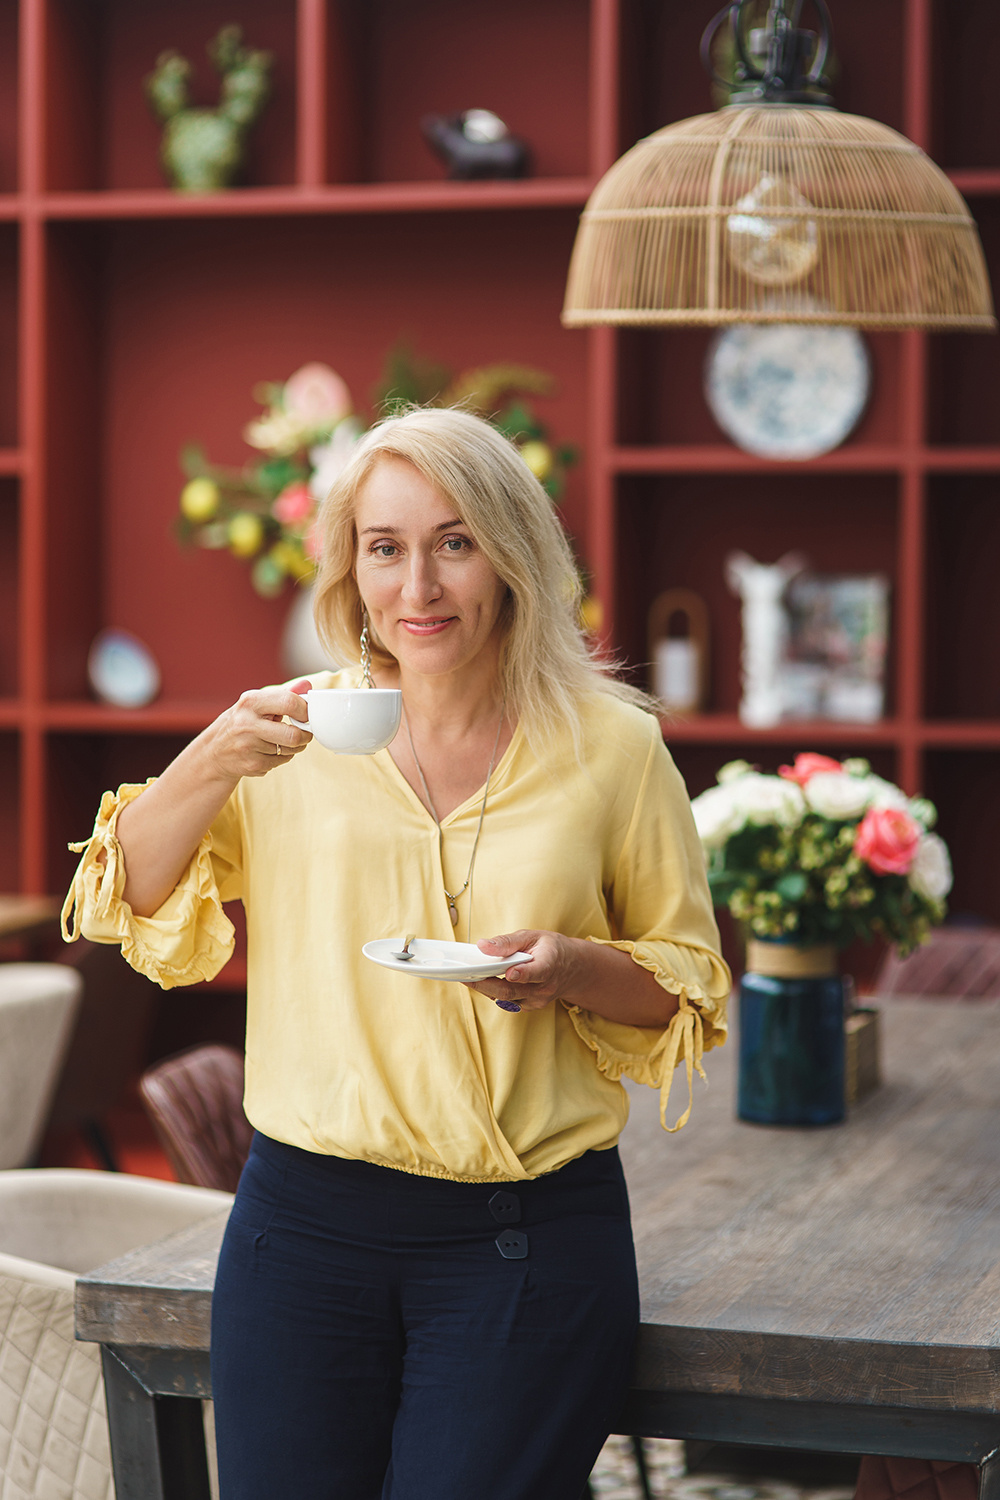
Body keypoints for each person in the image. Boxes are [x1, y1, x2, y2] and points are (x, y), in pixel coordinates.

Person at [62, 406, 731, 1500]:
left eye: (454, 542)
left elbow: (684, 985)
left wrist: (569, 967)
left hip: (527, 1241)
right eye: (385, 548)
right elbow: (119, 895)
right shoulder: (289, 736)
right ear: (351, 567)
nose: (417, 585)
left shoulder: (615, 747)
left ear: (511, 555)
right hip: (299, 1238)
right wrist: (213, 754)